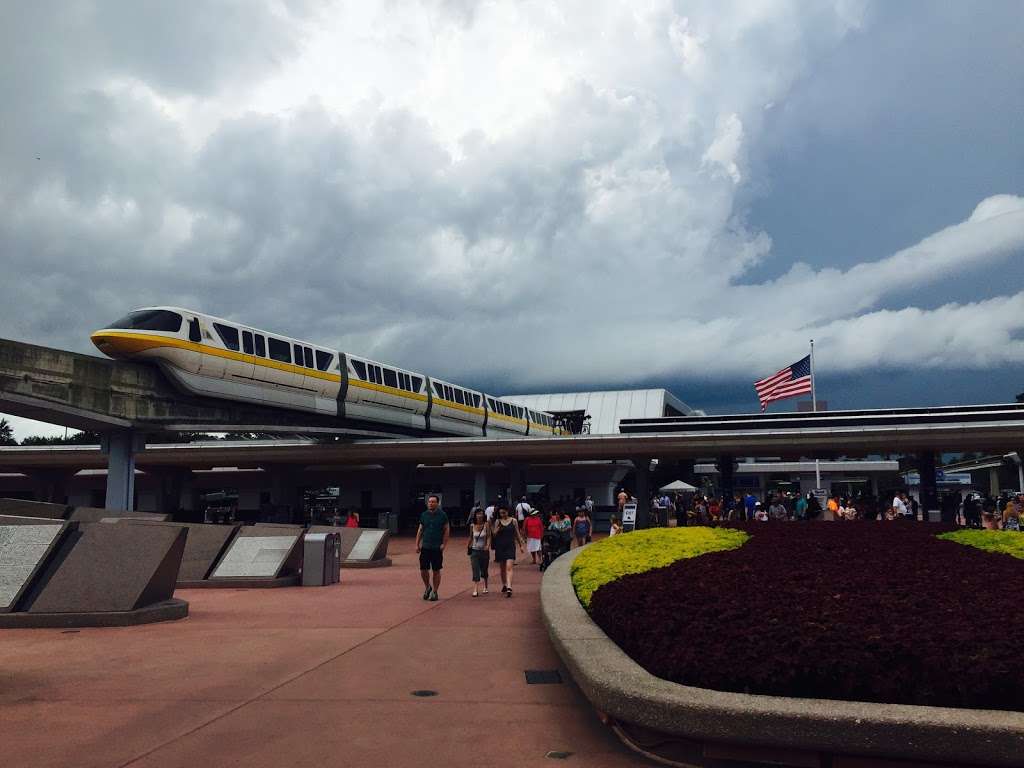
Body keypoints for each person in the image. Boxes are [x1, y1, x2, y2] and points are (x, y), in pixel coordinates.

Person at [415, 494, 449, 601]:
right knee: (423, 569)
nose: (431, 503)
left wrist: (444, 543)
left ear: (437, 503)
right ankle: (427, 587)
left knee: (436, 570)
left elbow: (446, 530)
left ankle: (435, 591)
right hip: (425, 546)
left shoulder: (442, 515)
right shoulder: (424, 515)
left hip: (436, 547)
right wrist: (417, 544)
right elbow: (420, 530)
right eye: (429, 502)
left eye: (433, 502)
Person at [492, 505, 524, 597]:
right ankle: (504, 584)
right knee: (502, 568)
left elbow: (517, 533)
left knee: (509, 566)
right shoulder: (498, 521)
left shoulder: (513, 521)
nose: (503, 515)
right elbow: (494, 534)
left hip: (510, 546)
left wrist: (521, 545)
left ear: (508, 512)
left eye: (504, 512)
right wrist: (497, 530)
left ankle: (509, 587)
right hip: (500, 546)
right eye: (501, 513)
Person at [466, 508, 491, 597]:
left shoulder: (486, 524)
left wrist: (487, 546)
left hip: (484, 551)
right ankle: (475, 588)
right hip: (474, 550)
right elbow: (471, 537)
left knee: (484, 569)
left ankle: (485, 585)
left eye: (481, 514)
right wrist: (468, 545)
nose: (479, 516)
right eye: (478, 514)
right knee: (475, 568)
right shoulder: (472, 525)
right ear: (475, 515)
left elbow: (488, 537)